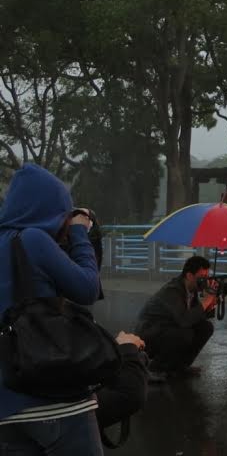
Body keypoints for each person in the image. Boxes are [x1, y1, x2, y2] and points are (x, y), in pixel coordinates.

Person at [0, 163, 104, 455]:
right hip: (52, 398)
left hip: (6, 407)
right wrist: (81, 233)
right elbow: (87, 289)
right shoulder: (33, 239)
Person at [134, 256, 217, 381]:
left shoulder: (192, 290)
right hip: (148, 336)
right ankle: (154, 368)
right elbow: (184, 320)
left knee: (206, 327)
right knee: (185, 333)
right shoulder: (172, 290)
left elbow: (195, 317)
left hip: (168, 329)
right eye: (202, 278)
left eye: (207, 277)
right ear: (189, 276)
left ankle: (181, 366)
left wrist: (210, 304)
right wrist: (206, 301)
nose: (205, 281)